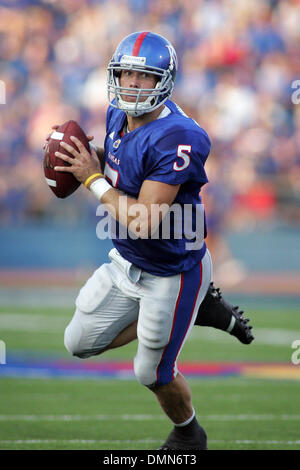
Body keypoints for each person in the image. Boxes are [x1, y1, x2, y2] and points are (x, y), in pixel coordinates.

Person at [53, 31, 253, 450]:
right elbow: (121, 158)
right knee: (78, 342)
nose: (131, 83)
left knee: (151, 372)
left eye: (143, 77)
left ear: (165, 81)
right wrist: (80, 154)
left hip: (173, 269)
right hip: (126, 260)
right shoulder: (115, 114)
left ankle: (189, 432)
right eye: (125, 73)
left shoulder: (178, 136)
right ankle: (197, 311)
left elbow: (143, 220)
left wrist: (91, 177)